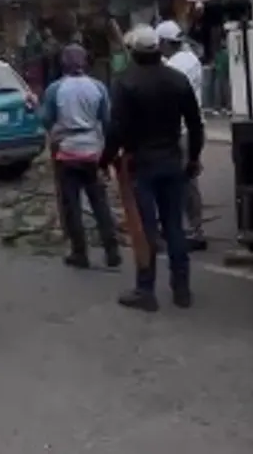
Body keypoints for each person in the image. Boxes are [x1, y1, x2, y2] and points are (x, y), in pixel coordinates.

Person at [100, 25, 204, 311]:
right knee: (174, 227)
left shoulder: (125, 82)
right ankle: (181, 290)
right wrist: (193, 158)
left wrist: (105, 159)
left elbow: (116, 128)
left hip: (140, 165)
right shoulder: (177, 80)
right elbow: (195, 124)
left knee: (144, 229)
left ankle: (146, 290)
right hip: (172, 161)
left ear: (133, 51)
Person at [41, 43, 121, 270]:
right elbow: (107, 121)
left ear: (63, 64)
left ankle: (80, 253)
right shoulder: (98, 87)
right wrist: (108, 156)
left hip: (67, 153)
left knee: (72, 206)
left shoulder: (55, 89)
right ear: (85, 62)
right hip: (92, 151)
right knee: (100, 202)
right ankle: (112, 250)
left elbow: (46, 120)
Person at [155, 20, 207, 244]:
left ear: (166, 43)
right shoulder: (190, 59)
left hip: (181, 129)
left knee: (182, 182)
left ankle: (192, 231)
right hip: (194, 127)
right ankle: (190, 227)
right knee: (187, 179)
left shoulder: (174, 67)